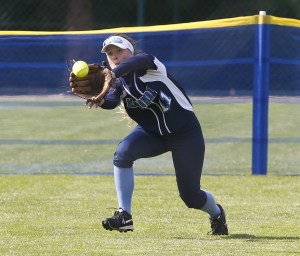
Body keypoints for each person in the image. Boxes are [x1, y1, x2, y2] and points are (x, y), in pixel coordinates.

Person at [89, 33, 228, 235]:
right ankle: (124, 215)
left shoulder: (150, 64)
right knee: (123, 153)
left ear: (131, 51)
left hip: (185, 135)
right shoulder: (119, 83)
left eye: (119, 50)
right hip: (152, 134)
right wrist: (100, 100)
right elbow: (111, 101)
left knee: (191, 196)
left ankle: (216, 214)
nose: (115, 56)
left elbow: (138, 61)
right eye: (110, 54)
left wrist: (113, 73)